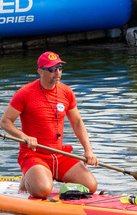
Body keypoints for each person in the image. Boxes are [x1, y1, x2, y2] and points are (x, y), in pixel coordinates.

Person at [1, 52, 98, 198]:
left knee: (91, 186)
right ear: (40, 71)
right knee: (42, 191)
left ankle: (48, 174)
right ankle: (29, 177)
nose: (57, 72)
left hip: (59, 154)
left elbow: (77, 122)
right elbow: (5, 121)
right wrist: (24, 136)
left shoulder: (67, 92)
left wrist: (88, 150)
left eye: (59, 68)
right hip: (34, 154)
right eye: (52, 69)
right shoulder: (25, 93)